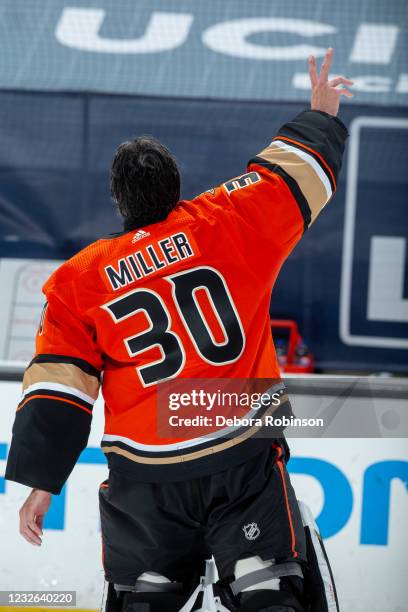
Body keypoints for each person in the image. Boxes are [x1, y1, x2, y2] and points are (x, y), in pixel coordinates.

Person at [6, 49, 352, 611]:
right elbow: (294, 177)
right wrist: (321, 113)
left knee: (145, 599)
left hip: (146, 478)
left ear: (119, 201)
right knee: (269, 591)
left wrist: (42, 482)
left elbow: (60, 389)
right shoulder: (227, 221)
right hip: (240, 457)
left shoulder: (80, 279)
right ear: (177, 187)